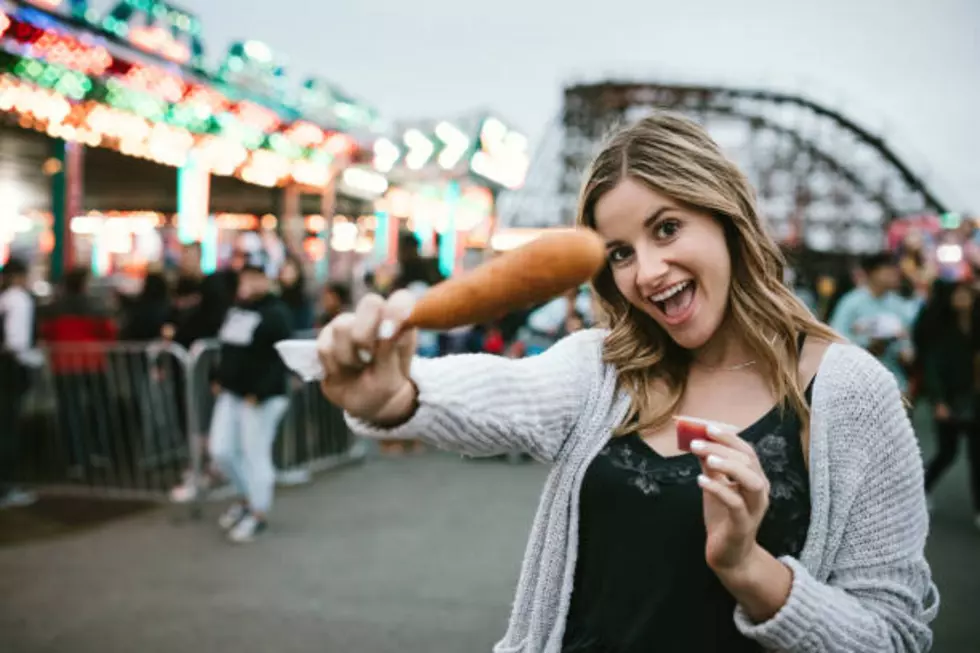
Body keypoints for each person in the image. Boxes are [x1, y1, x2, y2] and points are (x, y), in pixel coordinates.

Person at [312, 113, 938, 652]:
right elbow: (505, 394)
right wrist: (397, 397)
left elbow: (893, 635)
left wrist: (749, 569)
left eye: (667, 229)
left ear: (727, 218)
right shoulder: (603, 368)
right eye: (619, 252)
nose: (647, 271)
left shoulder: (851, 394)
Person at [209, 251, 292, 543]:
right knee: (222, 450)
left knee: (255, 454)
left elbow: (280, 356)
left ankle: (258, 512)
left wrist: (260, 391)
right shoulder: (237, 309)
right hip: (233, 393)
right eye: (246, 276)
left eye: (256, 276)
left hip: (261, 397)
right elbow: (228, 348)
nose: (249, 282)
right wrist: (217, 378)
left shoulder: (276, 313)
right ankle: (246, 500)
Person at [915, 279, 980, 528]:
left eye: (967, 293)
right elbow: (933, 367)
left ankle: (978, 507)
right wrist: (938, 400)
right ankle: (921, 491)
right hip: (950, 397)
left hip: (974, 398)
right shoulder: (941, 328)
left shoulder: (975, 324)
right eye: (959, 294)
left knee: (977, 455)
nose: (964, 299)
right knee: (947, 452)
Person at [829, 253, 916, 392]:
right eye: (888, 270)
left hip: (893, 383)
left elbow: (908, 347)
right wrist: (866, 345)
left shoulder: (899, 305)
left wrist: (904, 351)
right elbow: (835, 338)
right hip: (858, 384)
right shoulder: (851, 303)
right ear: (872, 273)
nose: (894, 275)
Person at [0, 258, 40, 507]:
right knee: (8, 428)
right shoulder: (19, 300)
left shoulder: (5, 298)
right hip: (12, 370)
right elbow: (17, 343)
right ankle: (6, 487)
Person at [278, 255, 314, 332]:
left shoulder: (303, 300)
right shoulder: (277, 299)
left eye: (290, 272)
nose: (286, 275)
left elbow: (305, 326)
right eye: (284, 272)